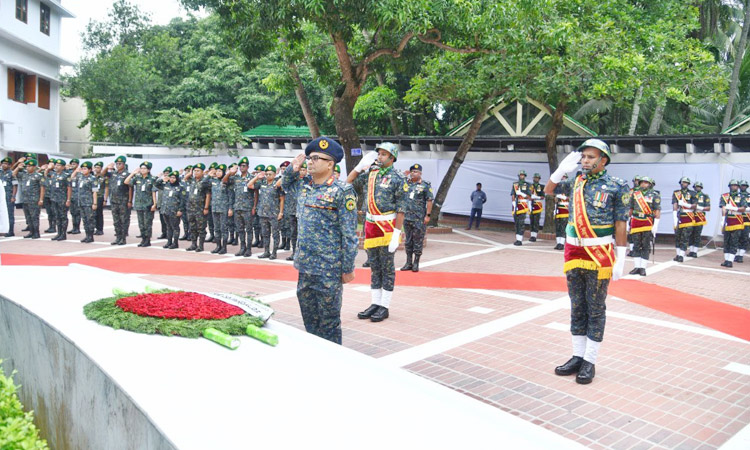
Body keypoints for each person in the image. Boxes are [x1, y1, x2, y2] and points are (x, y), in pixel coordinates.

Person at [544, 138, 629, 385]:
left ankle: (590, 360)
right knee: (577, 305)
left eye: (590, 157)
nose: (584, 161)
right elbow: (549, 190)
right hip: (574, 252)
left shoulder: (617, 185)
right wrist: (561, 170)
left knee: (596, 307)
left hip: (599, 253)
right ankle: (577, 356)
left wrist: (621, 258)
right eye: (583, 157)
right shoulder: (575, 183)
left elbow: (621, 223)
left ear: (603, 160)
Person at [285, 137, 357, 344]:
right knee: (309, 319)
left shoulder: (342, 191)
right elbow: (285, 184)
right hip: (305, 265)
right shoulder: (303, 186)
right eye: (309, 157)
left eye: (317, 158)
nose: (311, 161)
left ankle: (334, 365)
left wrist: (347, 267)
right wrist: (293, 167)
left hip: (328, 268)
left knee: (329, 322)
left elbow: (349, 234)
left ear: (330, 164)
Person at [347, 142, 406, 323]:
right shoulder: (371, 174)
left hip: (387, 227)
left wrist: (397, 233)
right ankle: (375, 303)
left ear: (392, 157)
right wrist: (359, 166)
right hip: (371, 226)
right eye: (378, 153)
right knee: (374, 267)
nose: (378, 157)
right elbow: (349, 182)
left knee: (386, 268)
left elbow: (402, 209)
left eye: (383, 154)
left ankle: (385, 306)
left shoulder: (398, 178)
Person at [400, 164, 433, 272]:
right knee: (408, 241)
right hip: (407, 217)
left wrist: (428, 215)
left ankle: (416, 263)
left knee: (418, 241)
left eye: (416, 171)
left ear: (420, 173)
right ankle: (408, 262)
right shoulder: (406, 184)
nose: (414, 173)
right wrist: (404, 176)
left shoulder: (425, 185)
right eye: (412, 171)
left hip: (419, 218)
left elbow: (429, 200)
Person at [249, 165, 284, 259]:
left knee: (275, 234)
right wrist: (257, 177)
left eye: (270, 174)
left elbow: (282, 199)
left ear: (274, 174)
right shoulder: (262, 183)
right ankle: (266, 251)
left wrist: (281, 212)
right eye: (267, 174)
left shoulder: (277, 184)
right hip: (263, 213)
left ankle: (274, 252)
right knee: (265, 234)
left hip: (274, 214)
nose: (268, 176)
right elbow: (249, 185)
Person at [628, 176, 660, 276]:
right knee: (636, 245)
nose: (643, 184)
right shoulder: (635, 194)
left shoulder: (655, 195)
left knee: (645, 245)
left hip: (647, 221)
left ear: (649, 184)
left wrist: (656, 226)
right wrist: (628, 222)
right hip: (636, 221)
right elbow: (631, 209)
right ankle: (637, 266)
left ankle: (643, 267)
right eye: (642, 182)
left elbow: (657, 211)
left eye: (646, 183)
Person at [225, 157, 254, 257]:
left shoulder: (252, 177)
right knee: (240, 229)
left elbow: (256, 192)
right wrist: (230, 172)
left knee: (249, 229)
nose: (242, 167)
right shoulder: (236, 178)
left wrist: (254, 207)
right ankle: (242, 248)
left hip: (248, 208)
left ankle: (249, 249)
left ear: (248, 167)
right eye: (240, 166)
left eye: (244, 166)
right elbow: (224, 181)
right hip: (237, 207)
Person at [124, 161, 157, 247]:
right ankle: (143, 239)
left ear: (149, 170)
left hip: (148, 204)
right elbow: (126, 182)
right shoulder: (137, 178)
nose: (142, 170)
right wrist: (133, 173)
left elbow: (154, 192)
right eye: (141, 168)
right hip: (139, 204)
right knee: (141, 224)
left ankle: (147, 240)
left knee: (147, 224)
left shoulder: (153, 179)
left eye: (144, 168)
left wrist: (154, 204)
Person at [281, 160, 307, 261]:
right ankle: (294, 253)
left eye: (304, 170)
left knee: (303, 234)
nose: (302, 172)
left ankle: (303, 254)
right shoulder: (293, 182)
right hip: (292, 211)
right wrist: (292, 168)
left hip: (304, 213)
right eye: (301, 169)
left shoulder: (309, 181)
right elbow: (284, 180)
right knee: (293, 233)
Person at [101, 156, 131, 245]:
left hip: (123, 201)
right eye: (117, 163)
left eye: (120, 163)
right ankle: (118, 237)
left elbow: (130, 189)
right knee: (116, 221)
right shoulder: (113, 173)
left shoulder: (127, 174)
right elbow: (102, 174)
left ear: (124, 164)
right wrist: (107, 167)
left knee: (123, 220)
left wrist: (129, 200)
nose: (118, 165)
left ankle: (123, 238)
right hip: (114, 200)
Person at [183, 163, 212, 252]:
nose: (196, 172)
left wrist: (206, 207)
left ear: (203, 172)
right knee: (192, 227)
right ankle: (193, 244)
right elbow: (185, 178)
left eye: (198, 171)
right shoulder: (192, 180)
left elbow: (208, 195)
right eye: (195, 171)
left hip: (200, 208)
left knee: (201, 228)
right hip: (191, 208)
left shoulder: (206, 181)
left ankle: (200, 245)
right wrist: (190, 172)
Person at [13, 158, 44, 239]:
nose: (27, 167)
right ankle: (31, 232)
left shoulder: (38, 176)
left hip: (34, 199)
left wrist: (41, 199)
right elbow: (13, 174)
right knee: (28, 217)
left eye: (30, 166)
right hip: (25, 199)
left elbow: (42, 188)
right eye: (27, 166)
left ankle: (36, 233)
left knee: (34, 217)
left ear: (34, 167)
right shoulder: (24, 174)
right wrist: (18, 167)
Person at [155, 171, 186, 249]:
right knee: (168, 226)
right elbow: (156, 184)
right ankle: (169, 242)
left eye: (174, 178)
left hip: (174, 211)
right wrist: (162, 179)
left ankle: (175, 243)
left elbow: (183, 200)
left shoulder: (180, 188)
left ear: (177, 178)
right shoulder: (166, 185)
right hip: (165, 210)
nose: (172, 179)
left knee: (175, 227)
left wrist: (180, 210)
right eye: (171, 177)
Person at [720, 180, 747, 267]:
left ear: (738, 187)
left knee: (734, 241)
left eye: (735, 185)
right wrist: (723, 220)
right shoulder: (725, 196)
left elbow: (743, 209)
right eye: (732, 185)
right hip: (728, 220)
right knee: (726, 241)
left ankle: (730, 260)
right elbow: (723, 208)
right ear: (729, 186)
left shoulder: (742, 196)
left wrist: (733, 208)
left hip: (737, 220)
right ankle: (726, 260)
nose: (734, 187)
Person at [671, 176, 697, 263]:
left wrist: (687, 205)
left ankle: (681, 255)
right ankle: (678, 254)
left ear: (688, 184)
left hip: (689, 216)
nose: (684, 184)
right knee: (678, 236)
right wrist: (674, 219)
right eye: (682, 182)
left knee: (685, 237)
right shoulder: (676, 193)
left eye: (686, 182)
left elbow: (695, 206)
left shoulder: (693, 193)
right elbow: (675, 205)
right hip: (680, 216)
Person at [71, 162, 98, 243]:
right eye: (82, 168)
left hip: (88, 202)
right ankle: (87, 235)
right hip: (81, 202)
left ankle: (91, 236)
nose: (83, 170)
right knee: (84, 220)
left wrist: (95, 203)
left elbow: (95, 191)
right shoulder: (80, 177)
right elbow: (72, 177)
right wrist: (76, 171)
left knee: (90, 220)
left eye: (85, 169)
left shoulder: (93, 179)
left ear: (90, 170)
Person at [45, 159, 70, 241]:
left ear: (63, 167)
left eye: (58, 165)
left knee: (63, 217)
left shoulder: (66, 176)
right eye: (55, 165)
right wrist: (48, 168)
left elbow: (69, 188)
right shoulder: (53, 175)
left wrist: (68, 199)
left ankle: (63, 234)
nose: (56, 166)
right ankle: (58, 233)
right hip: (54, 199)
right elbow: (45, 174)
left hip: (62, 199)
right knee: (57, 217)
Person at [208, 164, 230, 254]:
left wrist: (230, 208)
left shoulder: (227, 182)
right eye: (217, 171)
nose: (218, 173)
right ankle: (218, 246)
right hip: (215, 208)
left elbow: (231, 195)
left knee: (223, 228)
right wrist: (209, 175)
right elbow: (203, 184)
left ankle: (224, 248)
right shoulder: (213, 181)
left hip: (224, 208)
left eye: (220, 171)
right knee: (216, 228)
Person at [688, 181, 710, 258]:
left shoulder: (705, 196)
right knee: (690, 234)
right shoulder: (690, 195)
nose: (697, 188)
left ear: (701, 188)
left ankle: (695, 251)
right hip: (691, 215)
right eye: (696, 187)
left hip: (699, 216)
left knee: (697, 234)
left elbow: (708, 208)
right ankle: (691, 250)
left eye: (699, 187)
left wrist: (699, 208)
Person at [511, 171, 531, 245]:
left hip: (523, 205)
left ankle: (520, 240)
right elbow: (512, 194)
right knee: (516, 223)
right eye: (520, 175)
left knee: (521, 222)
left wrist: (521, 193)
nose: (521, 176)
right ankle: (517, 239)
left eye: (523, 175)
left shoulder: (527, 185)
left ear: (524, 176)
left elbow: (529, 197)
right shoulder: (515, 184)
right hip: (516, 204)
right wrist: (513, 203)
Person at [0, 157, 17, 237]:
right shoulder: (0, 172)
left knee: (10, 214)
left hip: (9, 196)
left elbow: (15, 186)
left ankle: (10, 231)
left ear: (10, 165)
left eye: (6, 164)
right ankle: (2, 229)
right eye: (3, 163)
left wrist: (13, 196)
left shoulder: (12, 173)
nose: (4, 165)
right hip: (1, 197)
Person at [552, 174, 569, 250]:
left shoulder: (569, 188)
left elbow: (571, 198)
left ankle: (562, 243)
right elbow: (554, 199)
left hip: (565, 209)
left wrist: (563, 197)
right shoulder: (557, 188)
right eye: (562, 177)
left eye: (564, 177)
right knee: (557, 227)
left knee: (563, 227)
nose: (563, 179)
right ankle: (558, 243)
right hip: (558, 209)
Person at [626, 175, 641, 257]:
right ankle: (632, 250)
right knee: (631, 233)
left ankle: (638, 250)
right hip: (631, 214)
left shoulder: (642, 192)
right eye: (636, 180)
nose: (637, 182)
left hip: (640, 215)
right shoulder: (630, 191)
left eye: (639, 180)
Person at [156, 166, 172, 240]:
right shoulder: (161, 183)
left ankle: (170, 234)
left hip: (170, 206)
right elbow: (155, 184)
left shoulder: (171, 183)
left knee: (170, 222)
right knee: (162, 220)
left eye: (168, 174)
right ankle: (164, 233)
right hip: (161, 204)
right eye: (165, 173)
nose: (166, 175)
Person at [251, 164, 265, 248]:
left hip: (263, 207)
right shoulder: (254, 181)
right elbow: (255, 194)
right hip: (256, 205)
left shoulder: (264, 182)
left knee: (262, 225)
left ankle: (263, 240)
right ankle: (257, 239)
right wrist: (254, 206)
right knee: (255, 224)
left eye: (259, 172)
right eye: (256, 172)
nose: (258, 174)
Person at [529, 173, 545, 242]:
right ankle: (531, 235)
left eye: (537, 178)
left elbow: (543, 197)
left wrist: (536, 197)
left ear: (539, 179)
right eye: (535, 178)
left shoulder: (541, 186)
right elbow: (527, 195)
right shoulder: (530, 186)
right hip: (531, 204)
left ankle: (534, 236)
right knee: (531, 220)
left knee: (536, 221)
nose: (536, 179)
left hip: (537, 205)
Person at [179, 165, 192, 240]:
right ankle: (186, 233)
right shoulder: (182, 180)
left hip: (191, 204)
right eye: (187, 170)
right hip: (183, 203)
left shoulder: (193, 180)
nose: (188, 172)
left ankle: (191, 234)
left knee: (190, 220)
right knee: (184, 220)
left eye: (189, 170)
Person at [737, 180, 749, 263]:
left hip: (746, 219)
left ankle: (740, 255)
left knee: (744, 237)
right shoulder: (736, 195)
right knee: (736, 237)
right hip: (737, 218)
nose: (743, 187)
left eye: (744, 185)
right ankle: (736, 254)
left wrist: (744, 209)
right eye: (741, 185)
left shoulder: (749, 196)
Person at [93, 162, 105, 235]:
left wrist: (105, 199)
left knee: (99, 213)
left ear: (101, 169)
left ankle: (100, 229)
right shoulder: (93, 177)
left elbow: (106, 188)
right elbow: (94, 188)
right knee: (94, 214)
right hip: (93, 196)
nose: (96, 169)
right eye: (95, 167)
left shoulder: (103, 177)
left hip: (100, 196)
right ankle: (96, 228)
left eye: (98, 167)